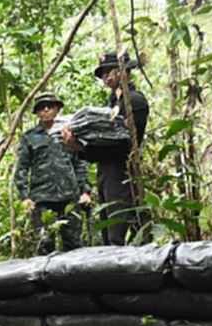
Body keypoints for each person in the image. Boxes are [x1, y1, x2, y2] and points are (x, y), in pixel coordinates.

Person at [63, 52, 149, 246]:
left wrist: (81, 147)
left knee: (117, 235)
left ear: (123, 72)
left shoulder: (134, 101)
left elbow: (126, 146)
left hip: (123, 172)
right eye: (102, 74)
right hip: (105, 173)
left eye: (109, 72)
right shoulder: (113, 104)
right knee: (108, 234)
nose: (105, 77)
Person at [14, 92, 91, 255]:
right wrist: (25, 197)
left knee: (74, 246)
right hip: (42, 199)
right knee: (44, 245)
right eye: (42, 107)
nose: (46, 110)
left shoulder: (68, 134)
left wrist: (85, 191)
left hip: (70, 197)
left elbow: (80, 162)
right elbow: (22, 167)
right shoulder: (29, 137)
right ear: (37, 112)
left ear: (58, 109)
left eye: (50, 106)